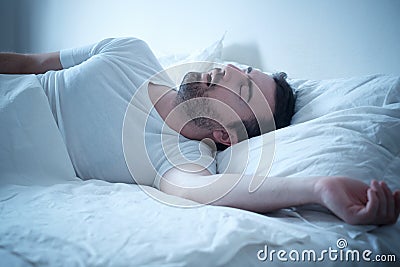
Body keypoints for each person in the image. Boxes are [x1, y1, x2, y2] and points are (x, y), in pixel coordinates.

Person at [0, 37, 399, 225]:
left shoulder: (180, 161)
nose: (227, 69)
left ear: (227, 136)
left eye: (241, 87)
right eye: (240, 69)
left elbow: (217, 191)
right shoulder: (129, 51)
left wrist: (318, 188)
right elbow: (29, 61)